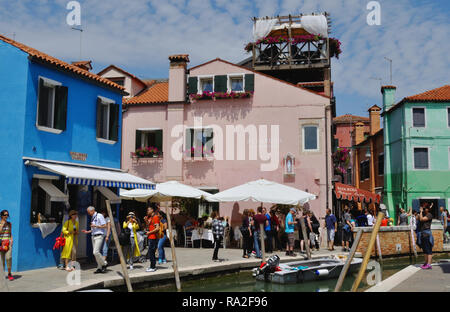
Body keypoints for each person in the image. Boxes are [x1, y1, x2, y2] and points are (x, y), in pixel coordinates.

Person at [82, 206, 107, 274]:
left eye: (88, 212)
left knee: (95, 252)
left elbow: (105, 226)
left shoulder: (99, 216)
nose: (88, 213)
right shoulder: (93, 217)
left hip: (99, 235)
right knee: (95, 254)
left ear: (92, 210)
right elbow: (94, 228)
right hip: (93, 235)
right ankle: (99, 267)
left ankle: (104, 263)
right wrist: (88, 231)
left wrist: (96, 226)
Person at [145, 206, 160, 272]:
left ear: (152, 210)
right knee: (150, 252)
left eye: (148, 210)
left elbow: (157, 228)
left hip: (153, 237)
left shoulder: (156, 217)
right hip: (150, 236)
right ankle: (152, 266)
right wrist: (146, 220)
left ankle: (153, 267)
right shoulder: (151, 217)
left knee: (151, 252)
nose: (147, 211)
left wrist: (149, 232)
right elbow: (149, 226)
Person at [418, 205, 433, 269]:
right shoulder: (423, 214)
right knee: (424, 250)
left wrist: (421, 212)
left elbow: (421, 219)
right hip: (422, 234)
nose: (424, 209)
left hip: (427, 234)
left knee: (428, 249)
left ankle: (429, 264)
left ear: (428, 209)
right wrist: (420, 213)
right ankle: (426, 262)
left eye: (425, 208)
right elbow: (417, 218)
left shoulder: (429, 215)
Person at [0, 210, 13, 281]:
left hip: (8, 244)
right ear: (1, 216)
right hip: (0, 244)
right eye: (5, 215)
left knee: (9, 258)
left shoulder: (9, 224)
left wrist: (12, 239)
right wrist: (2, 225)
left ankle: (9, 273)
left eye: (7, 215)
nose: (6, 216)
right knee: (2, 261)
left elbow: (10, 233)